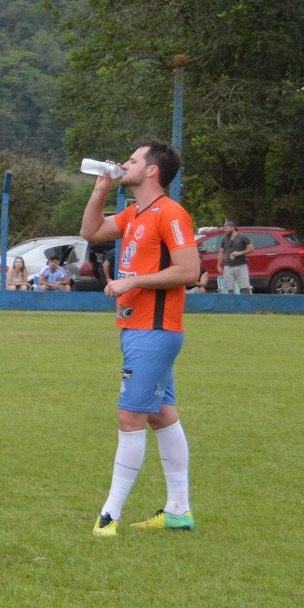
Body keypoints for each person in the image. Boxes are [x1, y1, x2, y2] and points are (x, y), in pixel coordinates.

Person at [81, 140, 200, 537]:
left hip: (156, 330)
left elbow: (189, 271)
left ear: (151, 170)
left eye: (132, 160)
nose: (124, 164)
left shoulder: (171, 213)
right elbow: (91, 231)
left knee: (129, 416)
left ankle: (109, 515)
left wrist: (132, 282)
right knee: (160, 413)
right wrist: (100, 190)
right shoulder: (135, 213)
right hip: (138, 328)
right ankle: (178, 511)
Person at [217, 221, 252, 295]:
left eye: (226, 228)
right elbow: (221, 252)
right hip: (228, 266)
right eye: (224, 229)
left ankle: (246, 301)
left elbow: (251, 248)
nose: (225, 230)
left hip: (241, 265)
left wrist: (240, 253)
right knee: (229, 289)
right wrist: (219, 265)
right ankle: (231, 301)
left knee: (245, 288)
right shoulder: (224, 238)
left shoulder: (242, 237)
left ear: (232, 227)